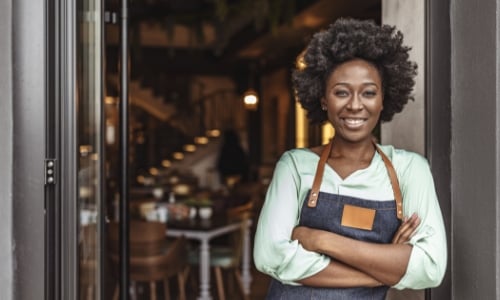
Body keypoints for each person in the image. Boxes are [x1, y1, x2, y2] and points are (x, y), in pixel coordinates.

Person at [253, 18, 447, 299]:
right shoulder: (294, 167)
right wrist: (386, 268)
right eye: (341, 92)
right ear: (323, 99)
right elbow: (271, 256)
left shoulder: (410, 169)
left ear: (383, 99)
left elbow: (430, 267)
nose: (355, 105)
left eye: (368, 93)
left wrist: (320, 239)